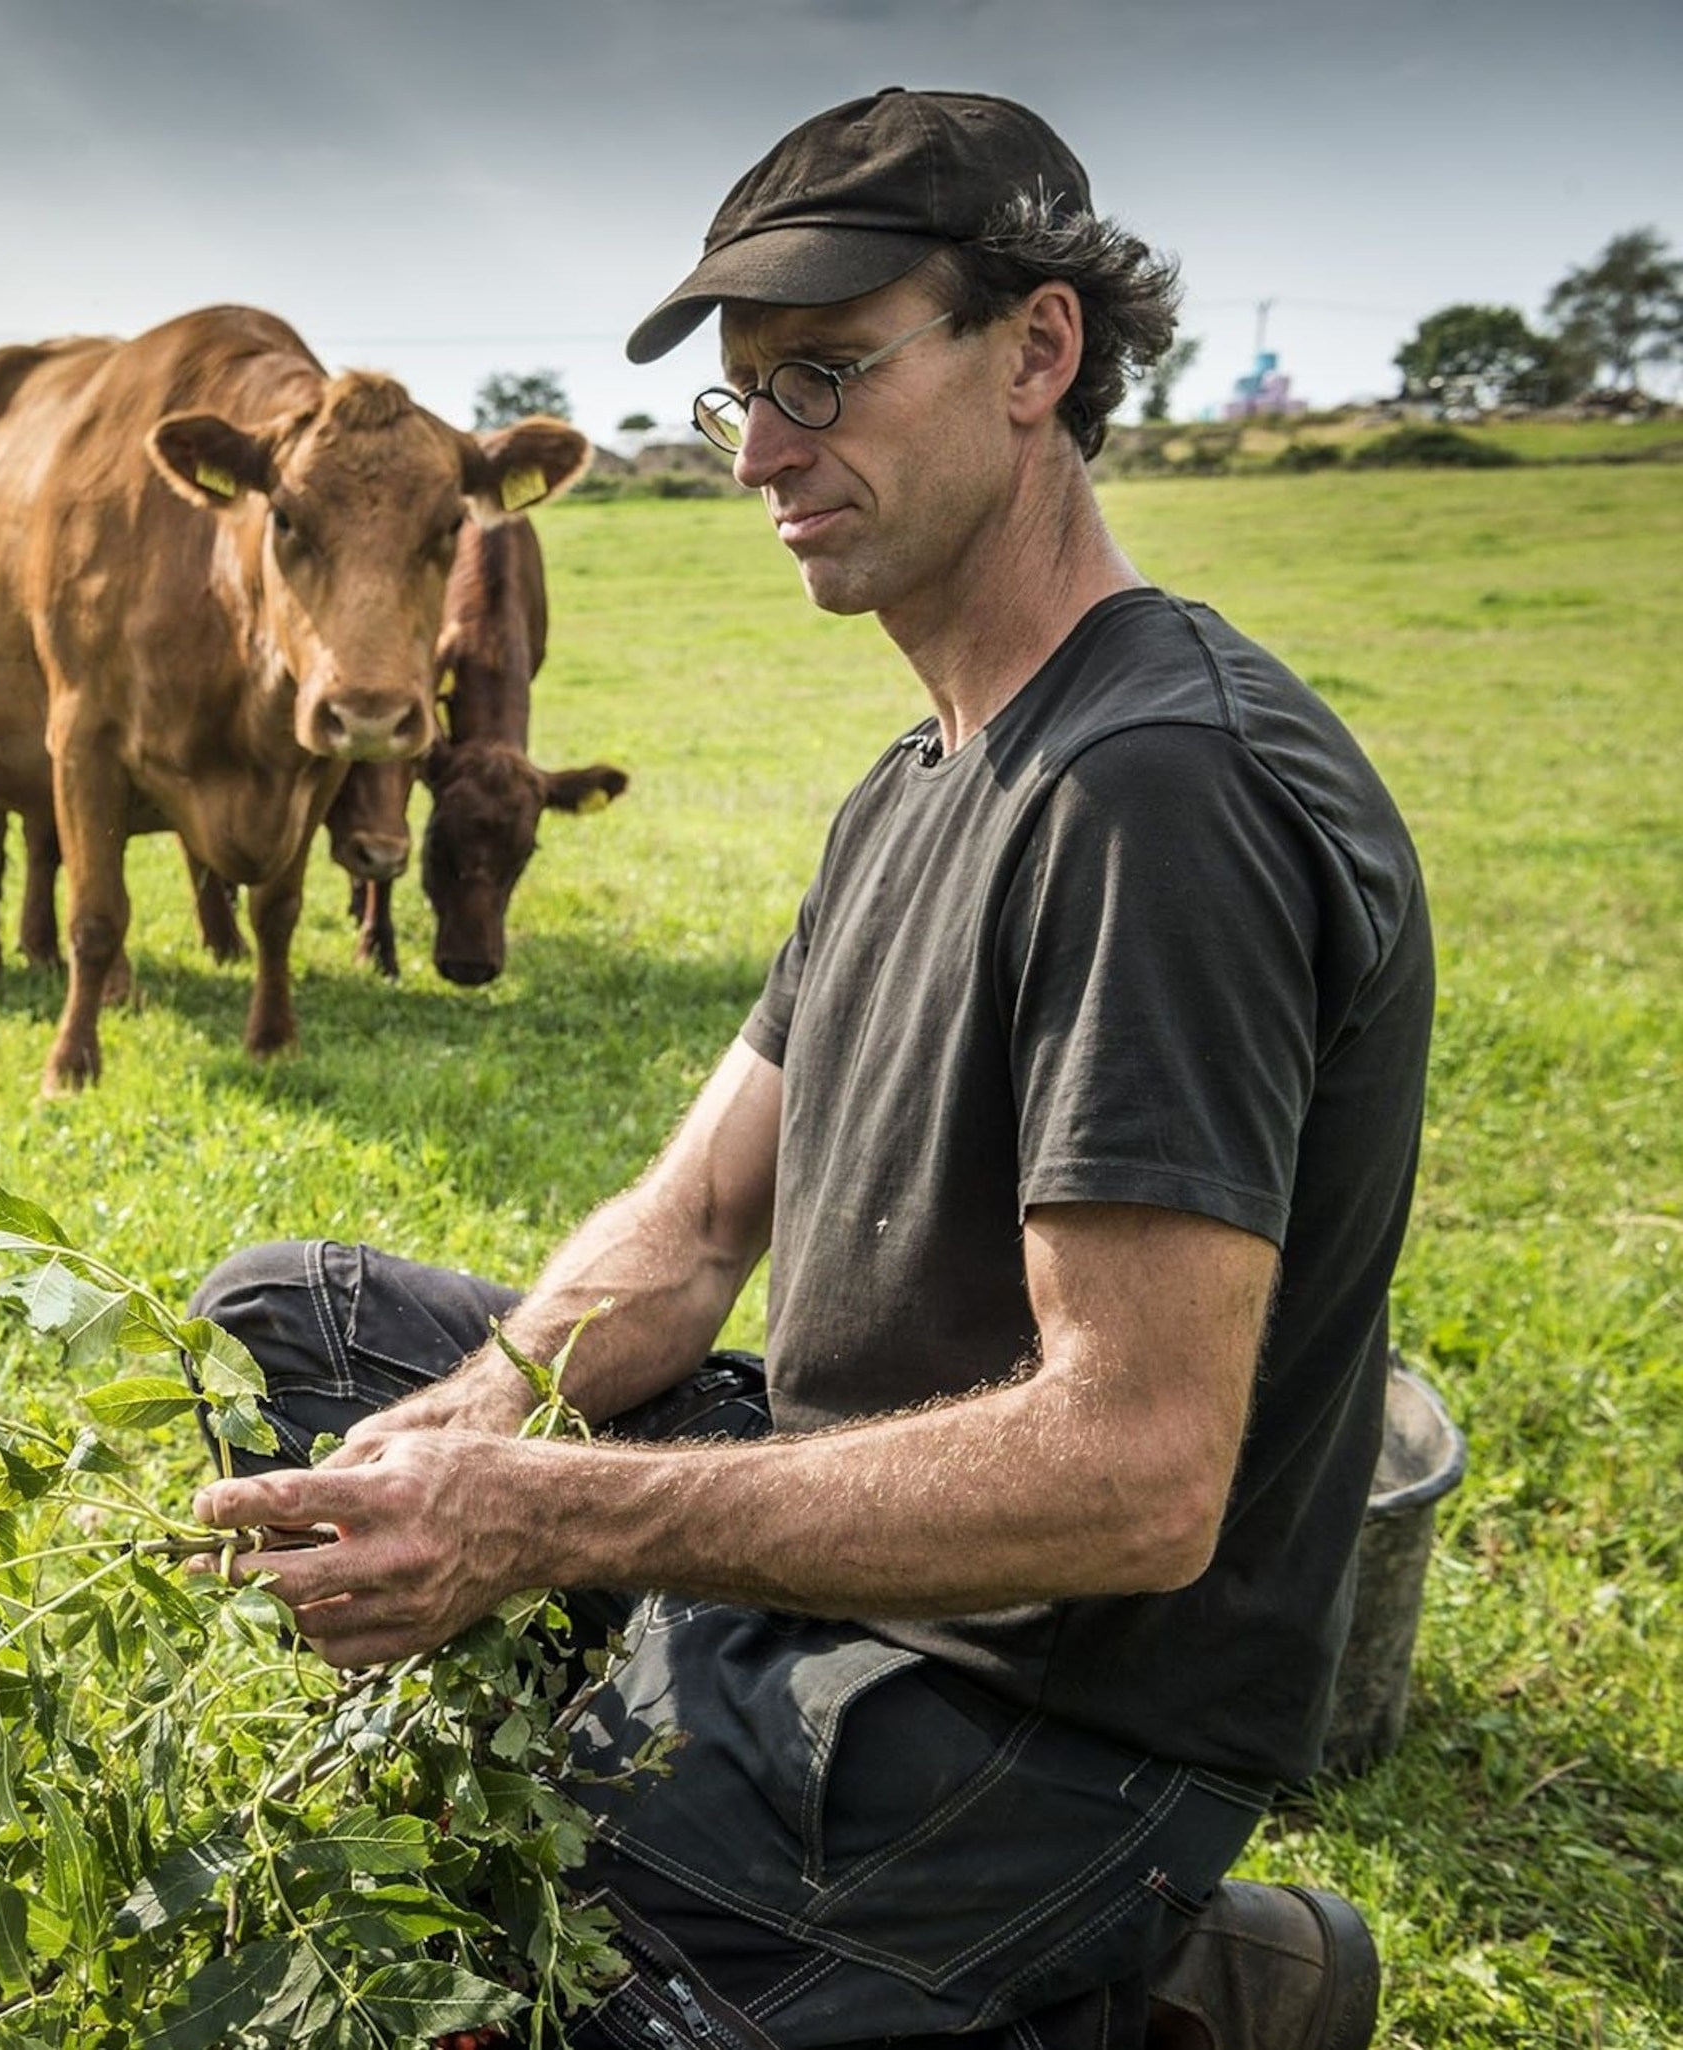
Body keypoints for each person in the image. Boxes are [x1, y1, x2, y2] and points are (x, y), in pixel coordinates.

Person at [189, 87, 1430, 2050]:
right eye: (743, 396)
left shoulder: (1159, 792)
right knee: (290, 1329)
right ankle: (718, 1813)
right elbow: (689, 1225)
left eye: (827, 377)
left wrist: (546, 1520)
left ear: (1040, 351)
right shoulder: (921, 775)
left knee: (563, 1986)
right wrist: (457, 1428)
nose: (765, 451)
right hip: (838, 1516)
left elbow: (1136, 1476)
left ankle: (1177, 1975)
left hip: (1047, 1690)